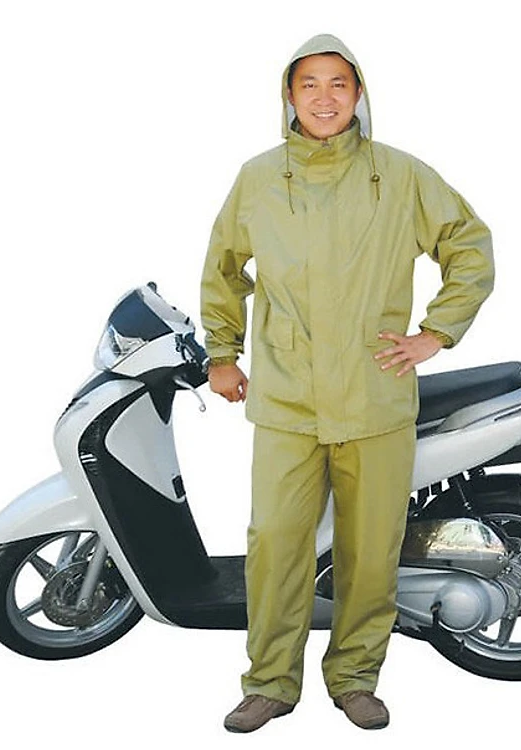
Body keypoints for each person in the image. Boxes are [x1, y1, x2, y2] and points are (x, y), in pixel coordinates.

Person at [200, 33, 494, 732]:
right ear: (289, 95)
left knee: (369, 551)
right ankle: (269, 682)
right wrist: (222, 353)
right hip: (286, 400)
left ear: (359, 93)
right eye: (309, 84)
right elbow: (223, 268)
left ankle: (356, 678)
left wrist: (436, 332)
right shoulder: (258, 179)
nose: (324, 97)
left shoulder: (400, 176)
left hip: (374, 396)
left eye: (338, 83)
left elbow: (469, 246)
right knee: (275, 544)